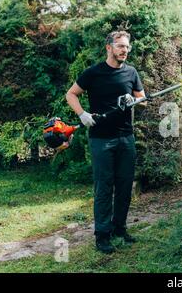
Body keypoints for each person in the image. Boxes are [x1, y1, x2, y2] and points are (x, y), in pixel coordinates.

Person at [66, 30, 146, 254]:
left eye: (127, 47)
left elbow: (143, 100)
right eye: (120, 46)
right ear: (109, 48)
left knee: (124, 186)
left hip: (126, 137)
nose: (125, 50)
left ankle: (119, 228)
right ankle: (102, 235)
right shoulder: (94, 73)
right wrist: (83, 114)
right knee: (104, 188)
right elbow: (71, 94)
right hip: (101, 139)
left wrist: (134, 100)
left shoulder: (131, 73)